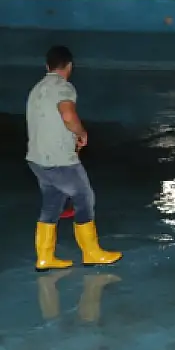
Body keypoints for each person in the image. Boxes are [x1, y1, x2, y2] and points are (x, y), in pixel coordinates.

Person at [25, 45, 121, 271]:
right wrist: (81, 133)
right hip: (59, 160)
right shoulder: (63, 87)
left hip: (37, 159)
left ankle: (44, 257)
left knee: (52, 203)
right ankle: (91, 252)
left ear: (47, 66)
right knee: (84, 197)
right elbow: (68, 114)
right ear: (69, 66)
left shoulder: (37, 89)